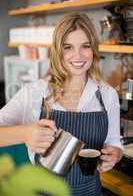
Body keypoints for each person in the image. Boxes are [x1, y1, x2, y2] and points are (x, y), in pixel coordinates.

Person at [0, 12, 123, 195]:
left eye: (85, 46)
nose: (78, 55)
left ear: (93, 49)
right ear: (58, 50)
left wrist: (115, 154)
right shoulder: (34, 92)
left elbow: (114, 142)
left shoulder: (108, 95)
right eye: (68, 47)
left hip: (90, 191)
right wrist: (25, 133)